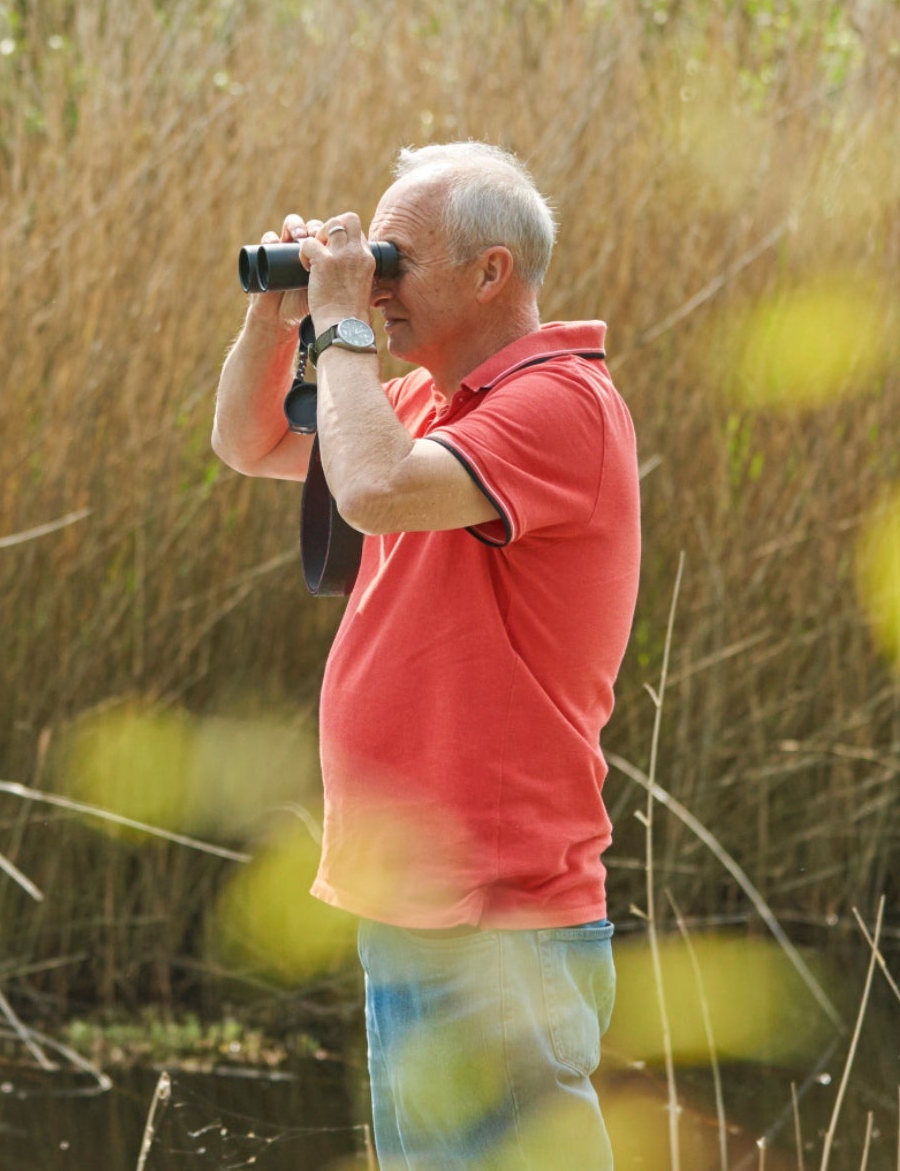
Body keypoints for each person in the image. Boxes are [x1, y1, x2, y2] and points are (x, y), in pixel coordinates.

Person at [210, 142, 643, 1169]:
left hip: (497, 906)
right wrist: (277, 317)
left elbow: (372, 491)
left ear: (493, 272)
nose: (377, 279)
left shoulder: (558, 405)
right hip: (414, 890)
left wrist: (344, 320)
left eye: (394, 258)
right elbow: (249, 441)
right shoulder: (421, 406)